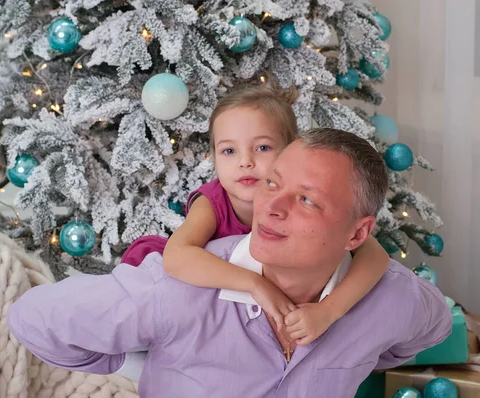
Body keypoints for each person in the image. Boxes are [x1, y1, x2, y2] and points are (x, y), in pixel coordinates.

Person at [7, 128, 452, 397]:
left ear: (357, 234)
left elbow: (433, 327)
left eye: (305, 200)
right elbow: (33, 318)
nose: (270, 207)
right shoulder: (175, 294)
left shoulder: (391, 298)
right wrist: (135, 364)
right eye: (271, 182)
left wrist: (355, 344)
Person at [121, 81, 390, 343]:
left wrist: (329, 311)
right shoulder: (213, 201)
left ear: (291, 152)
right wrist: (255, 285)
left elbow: (374, 255)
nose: (245, 162)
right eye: (228, 150)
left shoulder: (320, 219)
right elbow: (177, 257)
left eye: (262, 148)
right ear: (213, 158)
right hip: (203, 293)